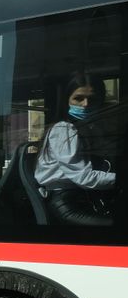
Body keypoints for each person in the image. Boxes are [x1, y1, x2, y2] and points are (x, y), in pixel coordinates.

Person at [34, 72, 116, 226]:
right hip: (65, 203)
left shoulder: (92, 130)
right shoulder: (64, 130)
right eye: (78, 98)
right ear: (67, 101)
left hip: (86, 197)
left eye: (92, 99)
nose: (85, 104)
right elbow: (83, 177)